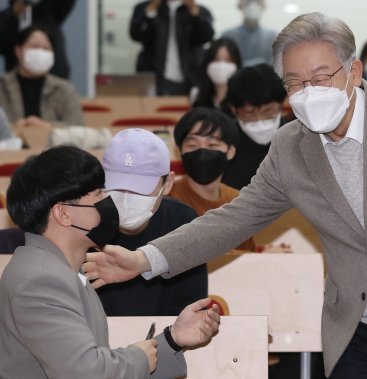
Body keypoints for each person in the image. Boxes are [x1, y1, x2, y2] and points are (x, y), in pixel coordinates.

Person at [85, 12, 367, 378]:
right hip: (356, 332)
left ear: (353, 72)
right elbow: (234, 218)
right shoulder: (290, 146)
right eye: (295, 83)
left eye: (321, 78)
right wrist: (143, 260)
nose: (309, 92)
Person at [0, 145, 220, 378]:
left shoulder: (63, 271)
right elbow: (86, 372)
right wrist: (140, 357)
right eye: (99, 194)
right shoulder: (42, 281)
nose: (109, 202)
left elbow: (90, 362)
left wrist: (173, 339)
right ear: (63, 214)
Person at [97, 128, 207, 316]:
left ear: (168, 183)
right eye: (116, 186)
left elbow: (190, 306)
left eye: (140, 189)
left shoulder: (183, 222)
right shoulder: (83, 220)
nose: (126, 197)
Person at [170, 107, 256, 251]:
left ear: (230, 152)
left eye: (212, 145)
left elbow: (246, 255)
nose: (202, 151)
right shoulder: (168, 199)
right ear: (180, 152)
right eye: (192, 145)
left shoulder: (238, 201)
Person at [0, 25, 84, 133]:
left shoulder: (64, 89)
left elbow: (78, 126)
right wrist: (12, 127)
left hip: (52, 147)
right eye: (34, 47)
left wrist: (47, 127)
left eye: (46, 48)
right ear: (18, 50)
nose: (40, 52)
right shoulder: (2, 86)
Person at [223, 63, 288, 189]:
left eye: (268, 111)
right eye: (248, 113)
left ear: (281, 104)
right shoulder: (224, 143)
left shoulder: (300, 140)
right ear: (233, 109)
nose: (259, 120)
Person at [130, 0, 215, 95]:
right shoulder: (144, 8)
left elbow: (206, 37)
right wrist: (150, 11)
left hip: (189, 78)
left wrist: (194, 12)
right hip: (154, 78)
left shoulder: (200, 10)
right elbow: (136, 35)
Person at [0, 0, 76, 79]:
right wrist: (15, 15)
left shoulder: (49, 10)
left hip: (54, 77)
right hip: (18, 81)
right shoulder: (5, 17)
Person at [221, 0, 277, 67]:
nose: (252, 5)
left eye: (257, 1)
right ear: (240, 6)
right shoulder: (228, 36)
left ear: (263, 6)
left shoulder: (273, 37)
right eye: (247, 1)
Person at [191, 38, 242, 110]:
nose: (222, 65)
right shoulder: (196, 94)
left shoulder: (243, 98)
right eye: (216, 60)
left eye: (228, 60)